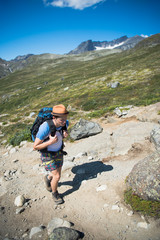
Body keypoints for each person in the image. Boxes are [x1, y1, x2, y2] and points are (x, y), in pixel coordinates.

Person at [33, 104, 69, 204]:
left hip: (59, 152)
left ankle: (48, 178)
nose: (64, 121)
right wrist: (50, 142)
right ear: (54, 117)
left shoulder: (65, 123)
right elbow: (35, 146)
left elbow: (63, 131)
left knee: (57, 174)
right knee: (57, 176)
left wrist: (65, 132)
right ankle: (55, 194)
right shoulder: (45, 127)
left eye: (65, 119)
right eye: (61, 120)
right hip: (47, 154)